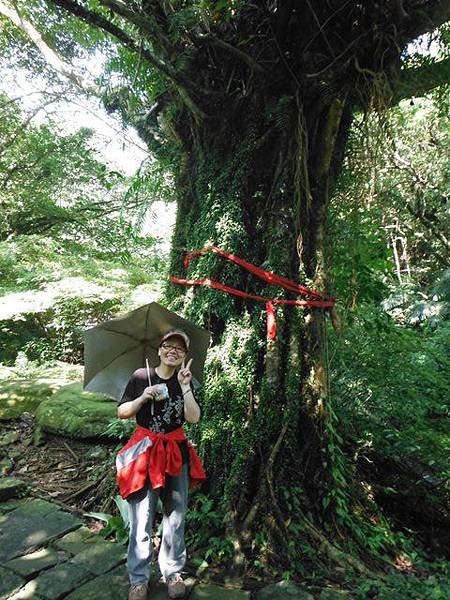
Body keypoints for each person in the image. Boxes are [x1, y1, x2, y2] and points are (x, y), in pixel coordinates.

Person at [116, 329, 206, 600]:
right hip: (145, 453)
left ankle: (173, 572)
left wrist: (186, 386)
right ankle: (139, 579)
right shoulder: (141, 376)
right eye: (168, 346)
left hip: (175, 453)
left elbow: (193, 418)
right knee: (141, 517)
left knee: (175, 515)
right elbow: (122, 412)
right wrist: (143, 397)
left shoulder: (185, 379)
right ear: (159, 349)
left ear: (184, 356)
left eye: (179, 349)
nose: (173, 351)